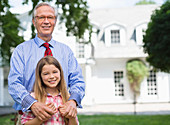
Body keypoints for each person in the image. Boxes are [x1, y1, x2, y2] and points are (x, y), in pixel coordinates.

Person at [8, 2, 85, 124]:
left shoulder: (66, 51)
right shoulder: (21, 51)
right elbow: (14, 83)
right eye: (41, 17)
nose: (46, 21)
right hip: (29, 119)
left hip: (61, 118)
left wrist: (73, 101)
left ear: (55, 21)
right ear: (34, 21)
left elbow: (78, 81)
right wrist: (32, 104)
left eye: (50, 17)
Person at [21, 56, 79, 125]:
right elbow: (25, 123)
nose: (51, 76)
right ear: (40, 76)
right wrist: (42, 117)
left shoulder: (68, 97)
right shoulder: (33, 98)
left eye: (55, 72)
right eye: (46, 74)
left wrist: (71, 117)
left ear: (60, 73)